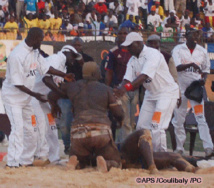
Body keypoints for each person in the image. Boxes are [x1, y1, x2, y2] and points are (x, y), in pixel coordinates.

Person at [1, 27, 73, 168]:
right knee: (18, 128)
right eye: (40, 39)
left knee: (33, 129)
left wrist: (64, 75)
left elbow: (47, 68)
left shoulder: (35, 52)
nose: (41, 41)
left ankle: (26, 160)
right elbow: (18, 84)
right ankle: (13, 163)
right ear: (33, 38)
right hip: (13, 98)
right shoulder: (17, 55)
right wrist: (36, 95)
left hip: (27, 98)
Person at [47, 61, 124, 172]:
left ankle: (76, 162)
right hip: (100, 132)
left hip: (78, 132)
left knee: (81, 156)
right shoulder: (106, 89)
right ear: (94, 74)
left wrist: (55, 106)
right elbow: (119, 113)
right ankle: (106, 163)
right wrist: (119, 121)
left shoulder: (71, 87)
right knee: (116, 162)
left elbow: (51, 95)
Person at [114, 32, 179, 152]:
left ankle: (161, 156)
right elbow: (127, 79)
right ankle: (145, 154)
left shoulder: (153, 54)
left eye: (130, 46)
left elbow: (143, 77)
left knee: (156, 126)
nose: (127, 49)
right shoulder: (133, 59)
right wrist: (119, 90)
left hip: (166, 93)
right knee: (141, 127)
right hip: (151, 95)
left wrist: (125, 88)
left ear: (138, 43)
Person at [32, 45, 82, 166]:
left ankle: (54, 158)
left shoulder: (63, 67)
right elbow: (47, 80)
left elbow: (54, 89)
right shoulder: (55, 58)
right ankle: (40, 156)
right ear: (67, 52)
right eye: (73, 56)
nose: (74, 60)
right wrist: (61, 95)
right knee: (41, 126)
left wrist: (54, 104)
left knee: (52, 126)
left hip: (43, 99)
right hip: (33, 96)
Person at [171, 28, 214, 157]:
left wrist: (203, 79)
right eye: (193, 34)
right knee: (178, 119)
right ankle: (179, 148)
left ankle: (208, 148)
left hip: (195, 90)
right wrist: (192, 64)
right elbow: (177, 67)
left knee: (200, 117)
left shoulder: (202, 51)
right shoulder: (178, 49)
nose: (196, 36)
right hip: (180, 89)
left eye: (198, 34)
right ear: (187, 35)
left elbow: (206, 69)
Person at [57, 37, 93, 155]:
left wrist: (83, 64)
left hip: (82, 97)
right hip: (65, 96)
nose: (77, 48)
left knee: (83, 123)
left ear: (82, 47)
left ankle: (82, 147)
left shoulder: (88, 59)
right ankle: (67, 146)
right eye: (75, 45)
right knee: (65, 123)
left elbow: (94, 77)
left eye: (79, 45)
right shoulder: (64, 59)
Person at [105, 27, 137, 144]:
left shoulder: (134, 51)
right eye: (120, 33)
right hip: (120, 90)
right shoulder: (113, 52)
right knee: (125, 121)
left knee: (132, 122)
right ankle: (125, 148)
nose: (123, 35)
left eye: (125, 33)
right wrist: (108, 90)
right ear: (117, 35)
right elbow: (109, 72)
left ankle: (121, 143)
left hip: (134, 88)